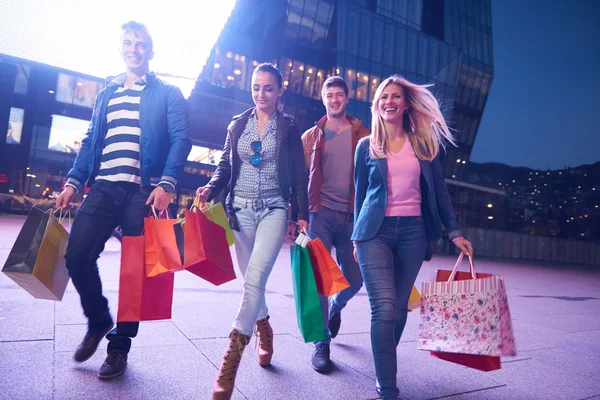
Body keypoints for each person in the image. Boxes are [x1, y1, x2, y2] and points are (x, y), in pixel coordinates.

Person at [55, 21, 191, 380]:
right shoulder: (106, 92)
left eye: (141, 44)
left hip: (141, 192)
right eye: (128, 43)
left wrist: (167, 182)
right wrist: (73, 181)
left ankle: (118, 349)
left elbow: (181, 139)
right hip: (101, 187)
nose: (134, 49)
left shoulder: (167, 92)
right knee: (76, 255)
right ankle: (99, 319)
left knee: (134, 274)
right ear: (120, 48)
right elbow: (90, 142)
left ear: (150, 51)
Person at [352, 75, 474, 399]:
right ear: (376, 105)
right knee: (384, 307)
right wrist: (355, 237)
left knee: (401, 308)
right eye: (383, 97)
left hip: (413, 233)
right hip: (373, 233)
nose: (389, 102)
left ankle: (383, 358)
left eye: (395, 97)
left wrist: (455, 232)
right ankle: (387, 386)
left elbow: (440, 193)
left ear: (405, 104)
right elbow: (360, 195)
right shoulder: (366, 146)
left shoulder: (423, 144)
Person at [196, 63, 308, 400]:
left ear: (280, 91)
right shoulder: (238, 124)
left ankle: (230, 360)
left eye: (269, 88)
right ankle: (265, 328)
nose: (262, 94)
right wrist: (211, 189)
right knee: (250, 282)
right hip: (240, 211)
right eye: (257, 87)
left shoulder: (288, 128)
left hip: (274, 209)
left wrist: (299, 214)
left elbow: (299, 176)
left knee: (255, 278)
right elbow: (226, 165)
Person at [301, 76, 369, 372]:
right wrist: (299, 214)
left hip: (353, 217)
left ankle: (336, 308)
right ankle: (321, 341)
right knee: (319, 278)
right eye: (330, 95)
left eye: (340, 94)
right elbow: (300, 179)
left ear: (347, 98)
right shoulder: (311, 136)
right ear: (323, 98)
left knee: (356, 278)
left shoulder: (364, 135)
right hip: (321, 214)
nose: (335, 99)